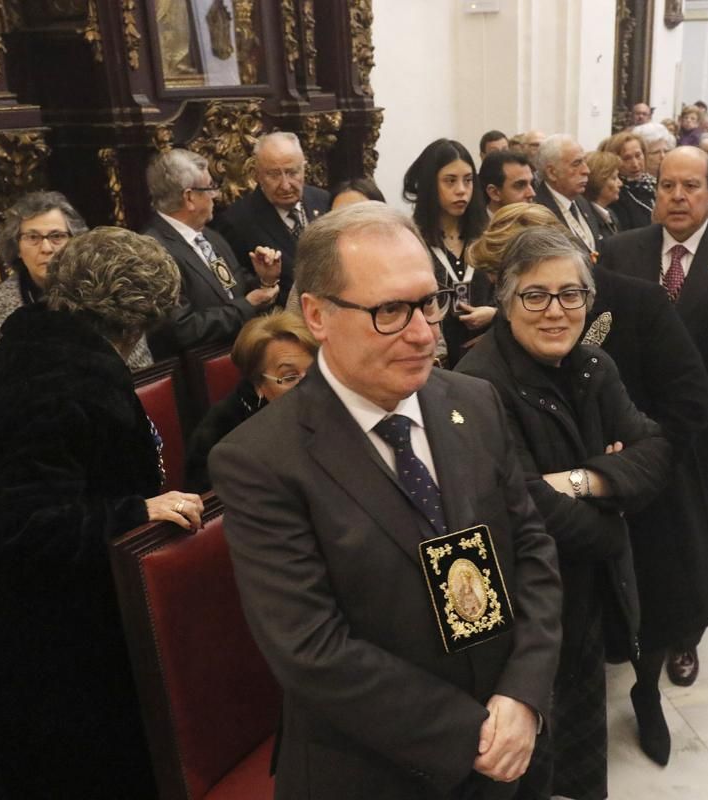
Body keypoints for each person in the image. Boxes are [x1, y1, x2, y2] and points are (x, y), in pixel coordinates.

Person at [209, 202, 562, 798]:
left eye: (428, 302)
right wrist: (471, 734)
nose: (424, 332)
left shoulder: (473, 402)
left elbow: (530, 548)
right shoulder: (258, 460)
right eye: (389, 311)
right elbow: (311, 649)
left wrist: (523, 695)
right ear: (317, 315)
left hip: (511, 742)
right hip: (376, 767)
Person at [0, 227, 203, 799]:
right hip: (66, 641)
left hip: (27, 615)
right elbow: (22, 525)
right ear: (134, 322)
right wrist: (133, 509)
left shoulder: (30, 346)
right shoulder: (71, 380)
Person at [456, 226, 670, 799]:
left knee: (577, 762)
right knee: (528, 768)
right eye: (536, 295)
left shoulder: (593, 364)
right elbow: (530, 510)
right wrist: (611, 509)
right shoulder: (477, 387)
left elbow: (655, 452)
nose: (556, 311)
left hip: (585, 605)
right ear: (505, 299)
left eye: (571, 294)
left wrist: (581, 479)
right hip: (527, 622)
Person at [599, 146, 708, 720]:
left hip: (705, 433)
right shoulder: (623, 250)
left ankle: (686, 634)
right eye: (668, 186)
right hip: (632, 432)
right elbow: (606, 342)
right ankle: (632, 625)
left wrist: (684, 416)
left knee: (698, 538)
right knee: (643, 536)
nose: (678, 197)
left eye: (691, 186)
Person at [0, 191, 151, 397]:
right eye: (33, 237)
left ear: (75, 241)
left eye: (57, 236)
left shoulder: (107, 289)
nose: (46, 248)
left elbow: (141, 372)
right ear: (17, 247)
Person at [143, 148, 282, 356]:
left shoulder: (210, 235)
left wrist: (265, 280)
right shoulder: (153, 252)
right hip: (200, 372)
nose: (216, 195)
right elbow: (183, 329)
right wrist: (248, 305)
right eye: (210, 188)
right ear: (189, 197)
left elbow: (233, 288)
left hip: (241, 355)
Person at [184, 310, 316, 492]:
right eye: (290, 377)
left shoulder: (331, 407)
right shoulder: (221, 442)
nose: (308, 386)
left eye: (312, 372)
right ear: (258, 384)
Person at [211, 131, 332, 304]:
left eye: (292, 172)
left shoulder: (323, 200)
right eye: (274, 174)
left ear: (304, 168)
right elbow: (235, 289)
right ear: (257, 175)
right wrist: (266, 282)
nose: (285, 184)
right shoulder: (236, 222)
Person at [404, 138, 493, 367]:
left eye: (468, 180)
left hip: (488, 353)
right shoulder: (412, 240)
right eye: (450, 181)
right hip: (434, 357)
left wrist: (495, 313)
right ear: (430, 185)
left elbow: (512, 293)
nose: (461, 190)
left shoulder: (488, 235)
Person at [533, 134, 606, 254]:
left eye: (584, 162)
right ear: (552, 172)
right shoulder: (538, 213)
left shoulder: (581, 201)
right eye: (576, 164)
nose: (586, 170)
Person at [605, 130, 656, 230]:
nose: (635, 164)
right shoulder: (616, 194)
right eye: (627, 158)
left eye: (638, 155)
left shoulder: (653, 184)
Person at [479, 149, 536, 216]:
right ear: (494, 193)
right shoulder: (474, 225)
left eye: (531, 183)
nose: (532, 193)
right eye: (520, 185)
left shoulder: (539, 223)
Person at [584, 150, 624, 237]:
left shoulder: (611, 214)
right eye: (614, 178)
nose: (620, 183)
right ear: (598, 180)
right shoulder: (587, 219)